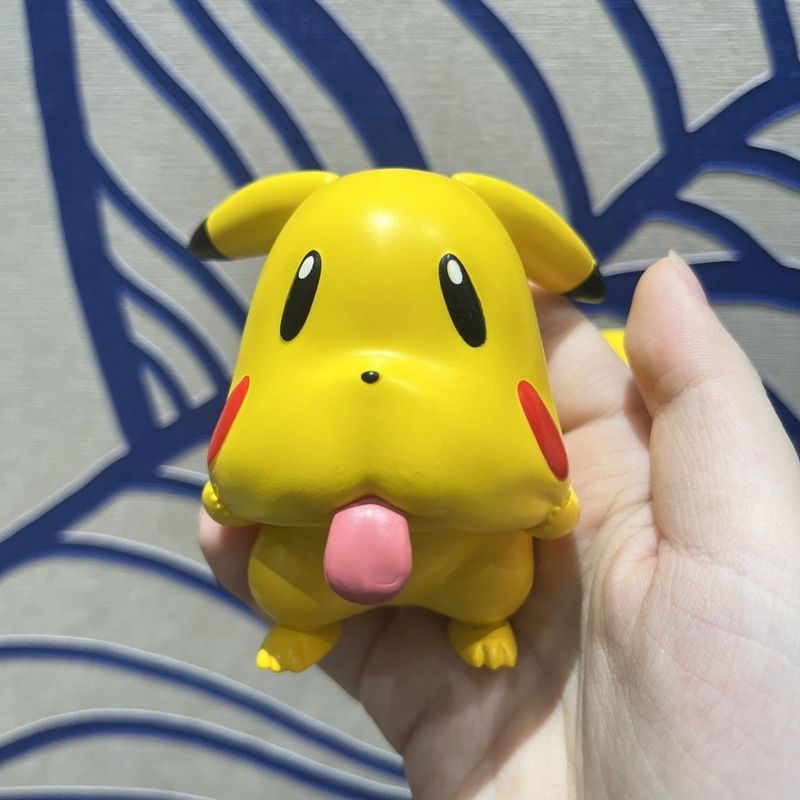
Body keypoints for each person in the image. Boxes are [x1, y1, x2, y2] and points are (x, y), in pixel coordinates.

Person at [199, 253, 800, 799]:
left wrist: (548, 507)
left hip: (469, 560)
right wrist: (235, 495)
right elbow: (251, 479)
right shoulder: (302, 410)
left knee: (494, 586)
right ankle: (306, 624)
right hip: (312, 556)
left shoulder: (487, 420)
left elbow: (529, 489)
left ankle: (479, 623)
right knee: (284, 586)